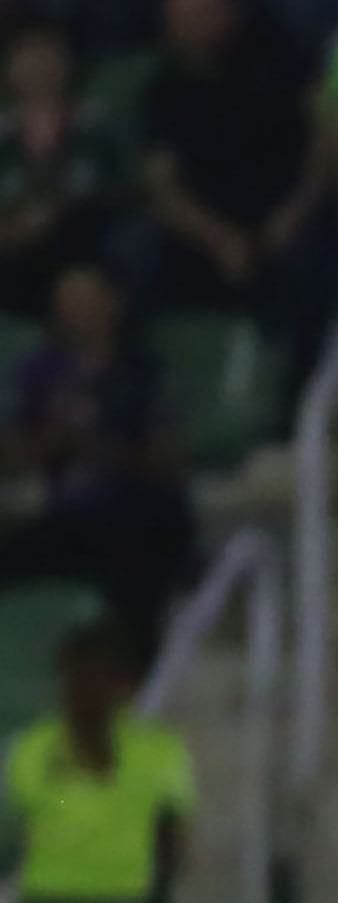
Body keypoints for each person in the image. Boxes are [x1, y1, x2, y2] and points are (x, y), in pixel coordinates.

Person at [137, 0, 338, 361]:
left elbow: (326, 140)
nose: (193, 26)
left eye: (203, 14)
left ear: (229, 12)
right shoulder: (162, 89)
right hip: (211, 226)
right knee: (139, 253)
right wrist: (219, 239)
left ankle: (298, 382)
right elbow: (162, 186)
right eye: (183, 19)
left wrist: (295, 213)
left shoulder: (280, 57)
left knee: (309, 261)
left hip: (290, 212)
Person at [1, 266, 196, 631]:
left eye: (83, 302)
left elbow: (169, 463)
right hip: (71, 517)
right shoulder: (41, 371)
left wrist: (97, 446)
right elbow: (13, 457)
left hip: (140, 512)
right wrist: (53, 440)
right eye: (65, 304)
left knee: (139, 550)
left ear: (113, 304)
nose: (73, 312)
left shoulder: (144, 369)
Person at [5, 621, 190, 903]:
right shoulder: (34, 749)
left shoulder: (159, 751)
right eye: (78, 678)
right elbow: (25, 821)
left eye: (98, 678)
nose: (86, 690)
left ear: (124, 687)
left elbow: (172, 838)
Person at [0, 23, 122, 321]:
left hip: (79, 240)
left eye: (46, 57)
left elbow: (112, 187)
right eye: (27, 58)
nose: (37, 67)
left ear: (65, 65)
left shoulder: (94, 125)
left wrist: (49, 214)